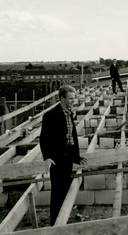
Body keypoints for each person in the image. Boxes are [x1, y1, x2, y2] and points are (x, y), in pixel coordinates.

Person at [39, 85, 87, 225]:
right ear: (62, 98)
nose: (74, 101)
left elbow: (71, 136)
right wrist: (47, 157)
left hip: (68, 159)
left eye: (74, 98)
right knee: (57, 194)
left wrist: (76, 157)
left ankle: (62, 220)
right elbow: (44, 139)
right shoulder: (50, 115)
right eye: (71, 98)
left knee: (65, 191)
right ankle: (55, 224)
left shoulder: (69, 113)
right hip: (57, 160)